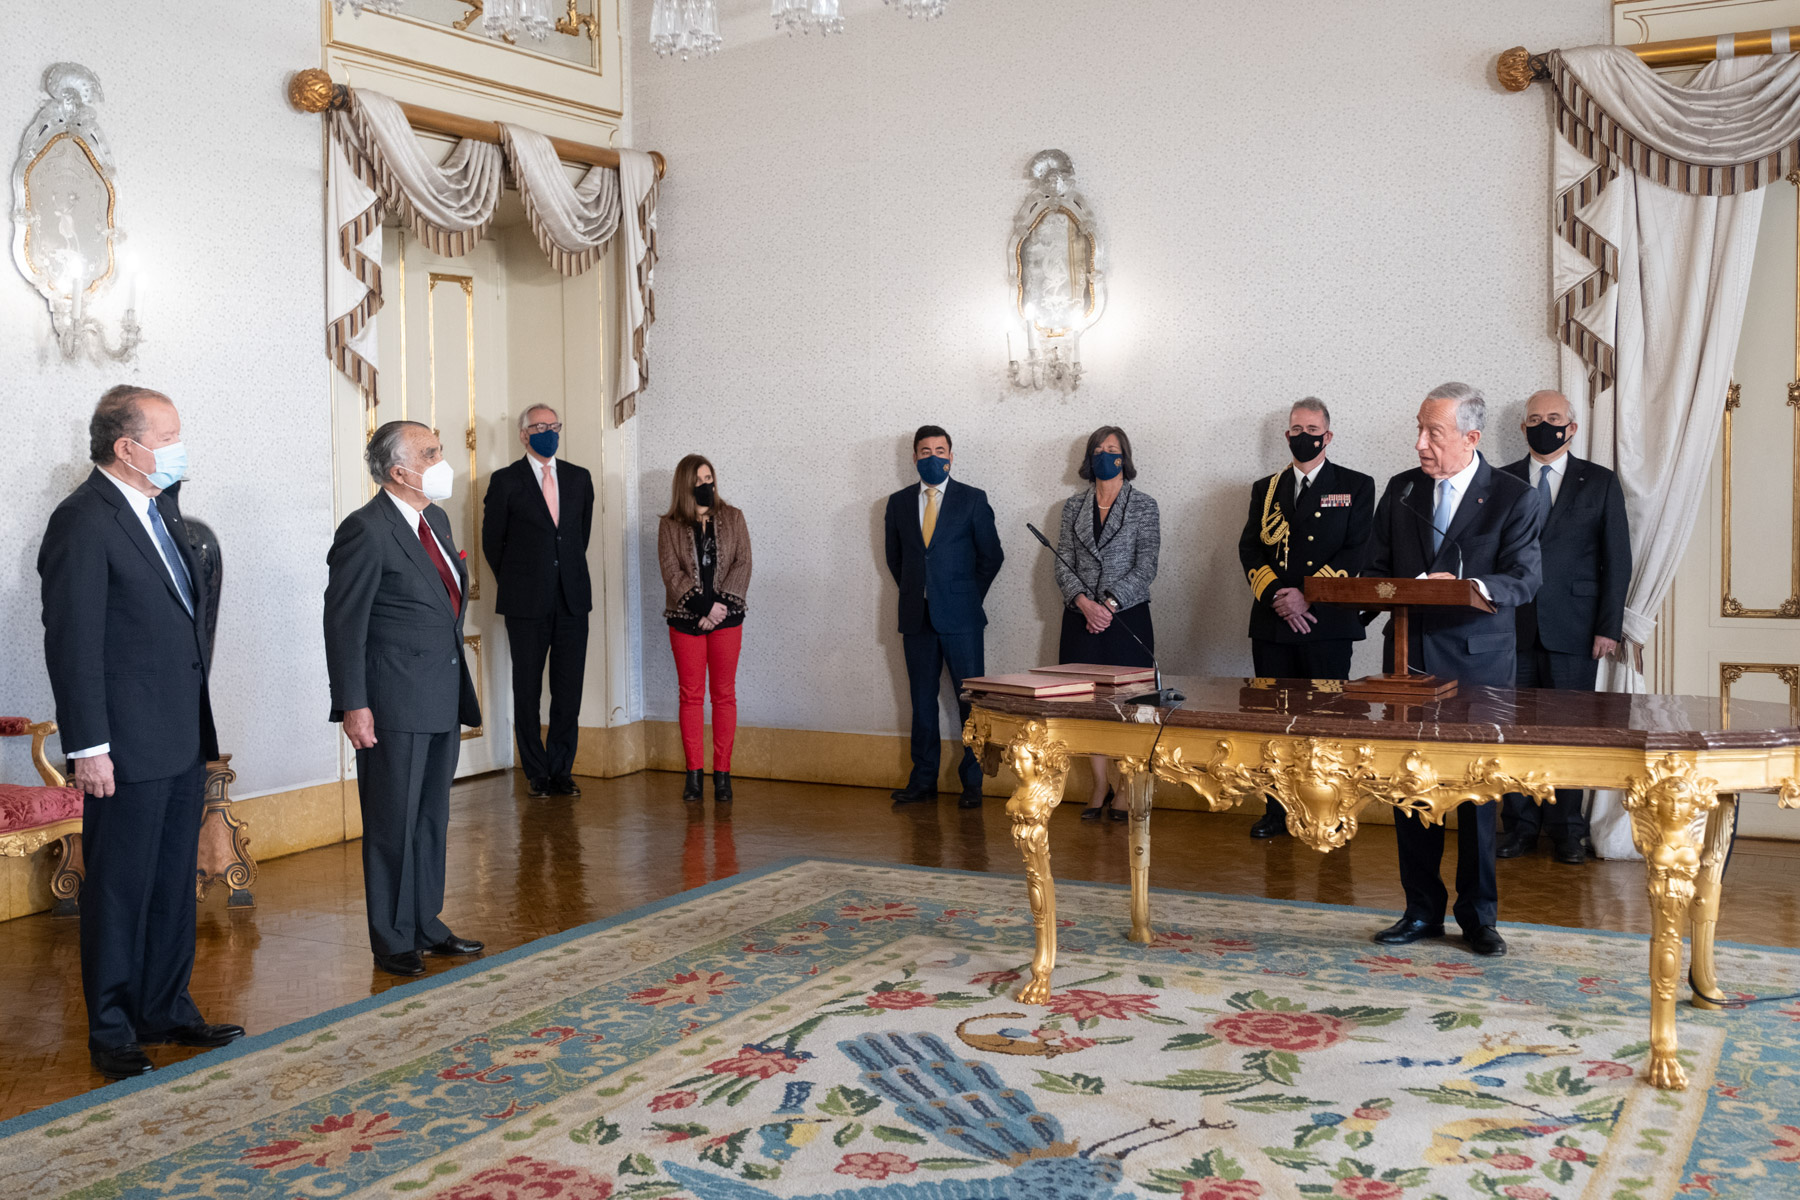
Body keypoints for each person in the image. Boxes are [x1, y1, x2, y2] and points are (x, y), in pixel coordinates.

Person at [39, 385, 243, 1080]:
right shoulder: (83, 521)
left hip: (178, 736)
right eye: (169, 435)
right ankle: (114, 1029)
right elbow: (73, 644)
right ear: (128, 447)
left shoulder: (159, 513)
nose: (180, 448)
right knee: (121, 890)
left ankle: (167, 1008)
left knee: (167, 883)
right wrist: (88, 746)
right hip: (122, 746)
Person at [1364, 383, 1544, 957]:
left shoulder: (1515, 496)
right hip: (1407, 662)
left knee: (1476, 795)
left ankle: (1478, 918)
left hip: (1478, 668)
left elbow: (1524, 578)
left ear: (1471, 437)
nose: (1419, 443)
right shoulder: (1401, 491)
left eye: (1432, 433)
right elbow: (1375, 568)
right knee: (1410, 788)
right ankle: (1420, 910)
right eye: (1418, 429)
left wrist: (1470, 587)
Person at [324, 420, 485, 978]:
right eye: (432, 453)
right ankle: (391, 938)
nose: (443, 461)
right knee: (393, 821)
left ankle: (424, 922)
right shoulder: (365, 531)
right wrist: (352, 704)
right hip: (390, 702)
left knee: (429, 818)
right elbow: (344, 624)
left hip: (439, 694)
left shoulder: (434, 518)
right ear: (399, 471)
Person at [1498, 390, 1631, 865]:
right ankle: (1519, 828)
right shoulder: (1501, 481)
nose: (1544, 425)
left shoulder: (1598, 482)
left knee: (1568, 733)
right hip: (1509, 630)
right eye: (1534, 418)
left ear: (1571, 428)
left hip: (1575, 631)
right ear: (1523, 428)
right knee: (1512, 733)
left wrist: (1608, 628)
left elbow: (1618, 561)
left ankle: (1567, 830)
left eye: (1553, 418)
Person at [1237, 397, 1375, 838]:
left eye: (1312, 428)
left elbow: (1357, 550)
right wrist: (1279, 595)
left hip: (1326, 625)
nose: (1303, 436)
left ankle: (1330, 813)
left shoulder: (1356, 485)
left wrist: (1308, 597)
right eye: (1295, 428)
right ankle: (1276, 812)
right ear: (1287, 435)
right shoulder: (1268, 487)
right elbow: (1250, 548)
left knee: (1328, 722)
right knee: (1274, 723)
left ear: (1328, 436)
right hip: (1274, 625)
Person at [884, 425, 1005, 809]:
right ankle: (922, 781)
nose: (933, 456)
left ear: (952, 456)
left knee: (971, 706)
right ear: (914, 457)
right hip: (916, 619)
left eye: (940, 450)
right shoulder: (899, 502)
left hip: (963, 621)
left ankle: (973, 784)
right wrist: (919, 593)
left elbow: (992, 556)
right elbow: (896, 560)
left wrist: (965, 596)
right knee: (921, 704)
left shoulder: (972, 499)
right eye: (925, 450)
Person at [483, 404, 595, 799]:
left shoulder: (579, 479)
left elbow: (577, 538)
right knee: (527, 690)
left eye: (554, 425)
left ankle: (562, 769)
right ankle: (536, 772)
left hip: (572, 601)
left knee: (568, 691)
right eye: (539, 426)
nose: (548, 431)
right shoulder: (505, 481)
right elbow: (492, 543)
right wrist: (521, 581)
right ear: (523, 434)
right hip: (526, 604)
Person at [1055, 426, 1161, 821]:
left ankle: (1126, 786)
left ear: (1125, 457)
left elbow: (1147, 564)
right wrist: (1084, 603)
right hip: (1081, 619)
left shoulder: (1144, 505)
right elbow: (1061, 561)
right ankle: (1099, 784)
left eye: (1112, 449)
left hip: (1126, 618)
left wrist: (1110, 604)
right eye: (1098, 449)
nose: (1105, 455)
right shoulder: (1072, 507)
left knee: (1129, 708)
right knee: (1088, 706)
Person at [658, 454, 752, 802]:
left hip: (727, 620)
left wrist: (718, 609)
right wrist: (702, 606)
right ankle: (694, 775)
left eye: (709, 477)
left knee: (724, 695)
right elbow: (671, 572)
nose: (705, 484)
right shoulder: (669, 525)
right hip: (686, 622)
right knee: (691, 696)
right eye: (698, 479)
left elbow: (744, 563)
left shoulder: (733, 516)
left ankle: (723, 775)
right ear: (685, 484)